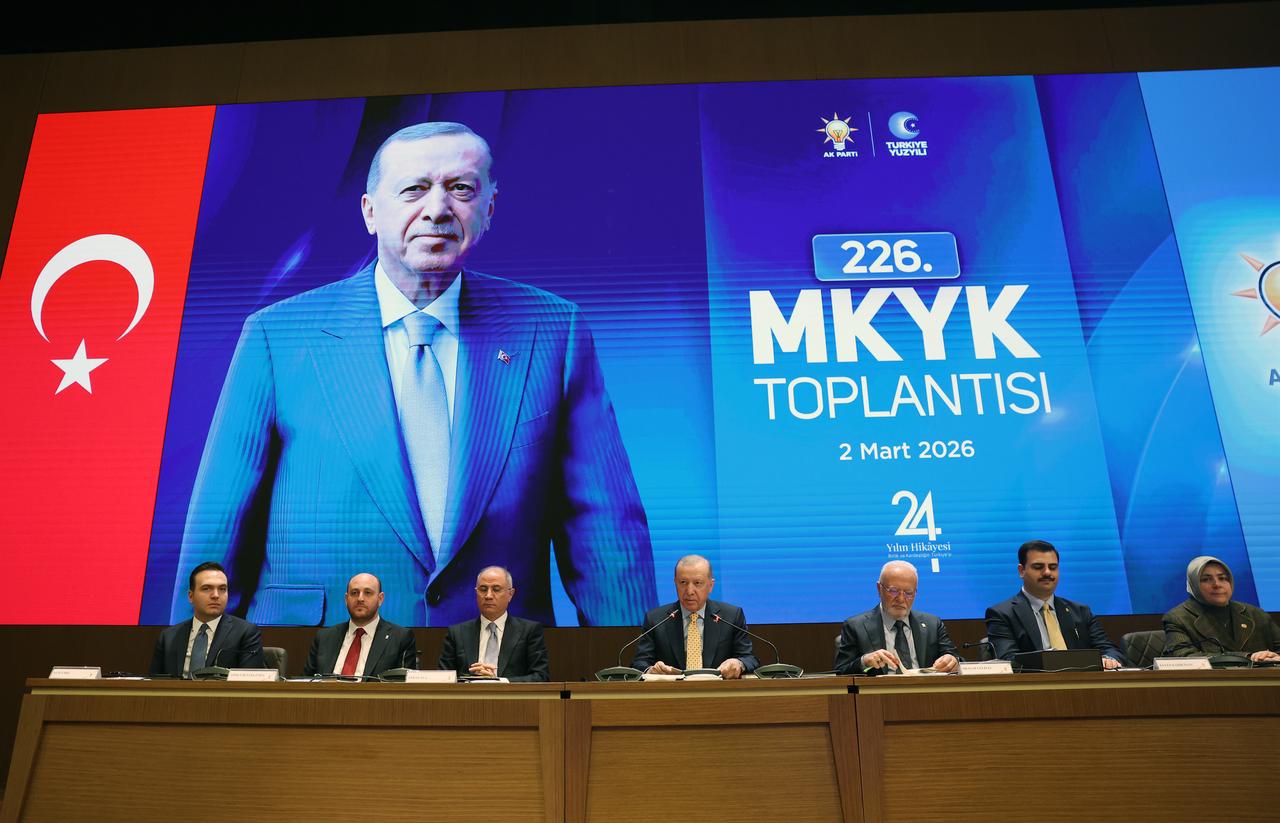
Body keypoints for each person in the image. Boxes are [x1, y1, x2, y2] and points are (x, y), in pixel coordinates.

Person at [170, 121, 656, 628]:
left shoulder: (553, 329)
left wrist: (626, 669)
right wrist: (191, 663)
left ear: (489, 207)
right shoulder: (278, 335)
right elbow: (221, 522)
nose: (439, 208)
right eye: (414, 189)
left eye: (461, 189)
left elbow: (603, 527)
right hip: (317, 664)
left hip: (501, 669)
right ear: (370, 211)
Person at [985, 540, 1128, 669]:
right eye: (1038, 567)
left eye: (1053, 567)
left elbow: (1109, 649)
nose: (1047, 572)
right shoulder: (1002, 614)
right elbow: (1008, 661)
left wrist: (1108, 659)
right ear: (1021, 571)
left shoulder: (1080, 611)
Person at [631, 555, 758, 679]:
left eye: (697, 583)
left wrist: (738, 664)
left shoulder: (731, 616)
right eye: (683, 582)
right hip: (672, 695)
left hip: (718, 694)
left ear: (710, 585)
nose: (689, 591)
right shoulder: (656, 619)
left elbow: (749, 659)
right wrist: (651, 670)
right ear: (675, 583)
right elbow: (639, 663)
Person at [834, 560, 960, 675]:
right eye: (893, 591)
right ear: (879, 589)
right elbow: (841, 671)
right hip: (878, 696)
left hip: (925, 693)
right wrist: (865, 662)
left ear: (915, 592)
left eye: (908, 593)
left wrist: (952, 661)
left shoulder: (933, 624)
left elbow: (957, 661)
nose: (901, 599)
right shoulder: (856, 626)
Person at [150, 561, 266, 677]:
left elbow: (248, 685)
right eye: (206, 589)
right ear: (191, 596)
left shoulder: (245, 633)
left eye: (222, 589)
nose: (215, 595)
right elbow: (154, 684)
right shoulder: (169, 637)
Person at [437, 566, 550, 681]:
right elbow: (444, 678)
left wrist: (499, 681)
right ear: (476, 592)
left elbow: (541, 676)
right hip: (468, 696)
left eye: (496, 589)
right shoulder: (457, 633)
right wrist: (470, 680)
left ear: (510, 594)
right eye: (483, 589)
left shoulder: (529, 631)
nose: (488, 596)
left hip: (511, 698)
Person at [1162, 555, 1280, 663]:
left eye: (1222, 578)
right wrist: (1248, 657)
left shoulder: (1256, 614)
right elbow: (1183, 657)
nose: (1217, 584)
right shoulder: (1178, 618)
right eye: (1206, 579)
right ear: (1194, 585)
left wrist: (1273, 657)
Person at [303, 572, 419, 677]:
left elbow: (403, 687)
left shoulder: (400, 638)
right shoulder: (324, 637)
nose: (360, 598)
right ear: (346, 599)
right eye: (354, 593)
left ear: (380, 599)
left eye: (368, 593)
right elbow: (305, 683)